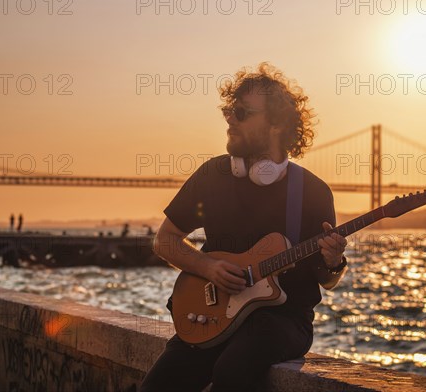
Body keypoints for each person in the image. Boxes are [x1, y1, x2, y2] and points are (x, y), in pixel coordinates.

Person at [140, 63, 348, 392]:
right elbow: (164, 241)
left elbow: (326, 278)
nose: (229, 119)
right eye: (228, 110)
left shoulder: (312, 191)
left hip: (282, 320)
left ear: (277, 124)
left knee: (232, 372)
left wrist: (334, 261)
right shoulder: (212, 176)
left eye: (241, 112)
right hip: (213, 316)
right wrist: (207, 267)